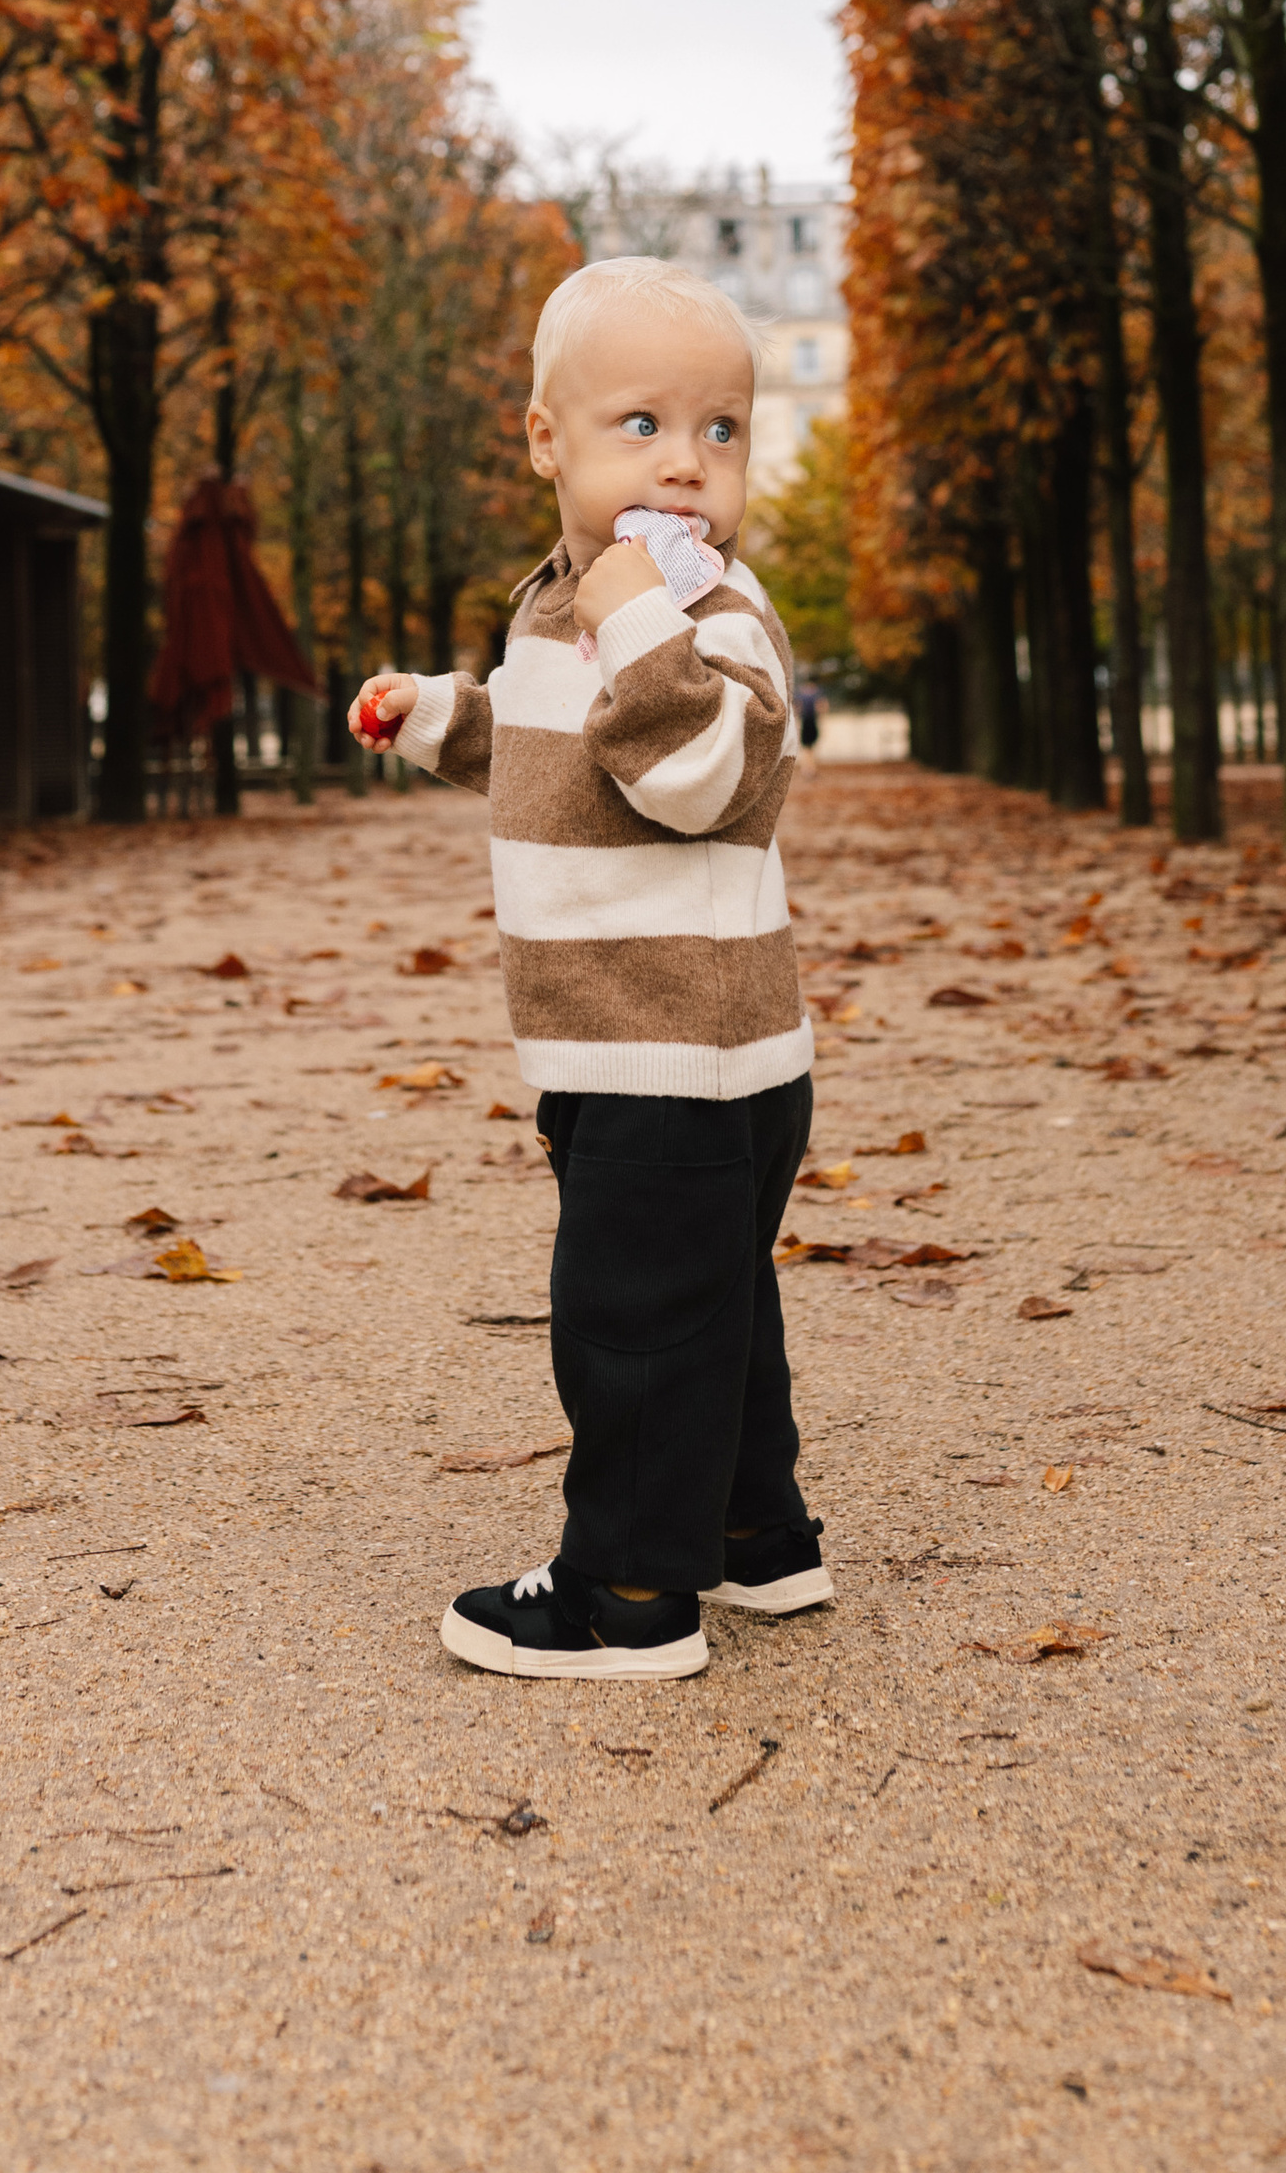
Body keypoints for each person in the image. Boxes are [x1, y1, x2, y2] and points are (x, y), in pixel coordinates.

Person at [350, 255, 829, 1680]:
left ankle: (628, 1594)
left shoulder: (712, 616)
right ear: (547, 441)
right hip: (637, 1038)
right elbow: (560, 753)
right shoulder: (563, 608)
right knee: (714, 1312)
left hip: (675, 1049)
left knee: (632, 1321)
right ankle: (757, 1540)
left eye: (722, 431)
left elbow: (692, 772)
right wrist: (443, 715)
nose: (687, 465)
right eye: (644, 427)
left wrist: (638, 612)